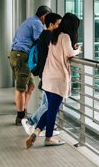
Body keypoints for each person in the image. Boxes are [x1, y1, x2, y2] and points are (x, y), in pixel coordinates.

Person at [25, 13, 80, 148]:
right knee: (53, 110)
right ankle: (48, 137)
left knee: (51, 108)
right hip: (57, 78)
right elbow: (70, 53)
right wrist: (78, 50)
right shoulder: (65, 36)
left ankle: (36, 132)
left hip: (48, 76)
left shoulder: (55, 35)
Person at [9, 5, 52, 125]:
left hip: (18, 55)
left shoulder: (30, 21)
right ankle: (20, 117)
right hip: (21, 56)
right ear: (43, 16)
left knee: (31, 86)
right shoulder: (37, 23)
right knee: (21, 88)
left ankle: (23, 110)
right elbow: (41, 41)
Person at [22, 12, 62, 137]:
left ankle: (44, 125)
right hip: (48, 74)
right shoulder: (49, 37)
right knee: (48, 104)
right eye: (58, 24)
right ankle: (31, 121)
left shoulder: (43, 35)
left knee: (46, 102)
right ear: (51, 24)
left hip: (45, 73)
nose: (60, 27)